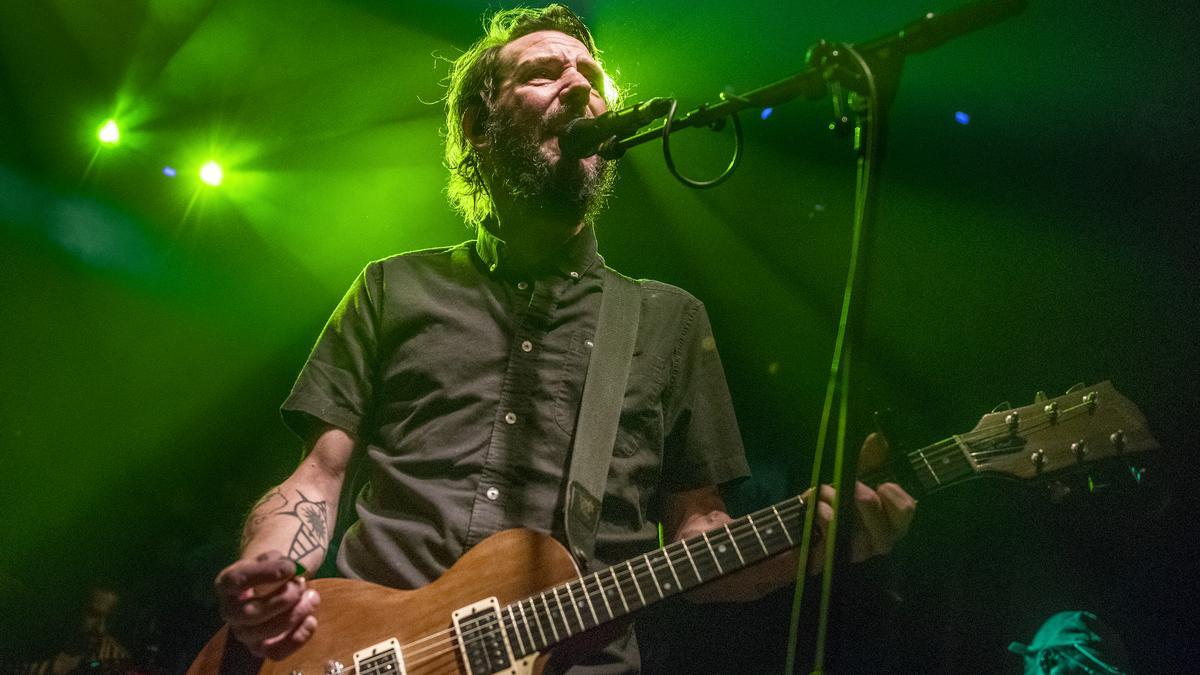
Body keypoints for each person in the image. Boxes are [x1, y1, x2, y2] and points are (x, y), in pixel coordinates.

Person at [213, 5, 916, 672]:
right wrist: (272, 565)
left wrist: (810, 548)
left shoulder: (668, 319)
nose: (580, 87)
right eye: (544, 73)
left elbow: (700, 539)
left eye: (593, 79)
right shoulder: (393, 286)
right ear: (478, 126)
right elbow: (319, 475)